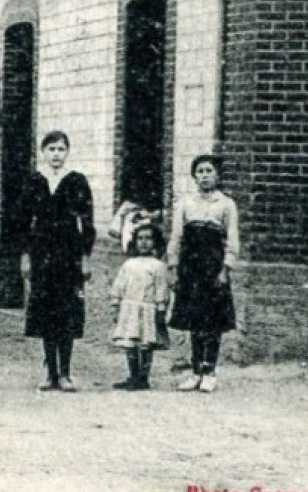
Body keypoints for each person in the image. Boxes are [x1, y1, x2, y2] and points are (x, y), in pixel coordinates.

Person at [22, 131, 95, 392]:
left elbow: (87, 221)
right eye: (51, 149)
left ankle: (65, 372)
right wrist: (26, 256)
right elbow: (23, 222)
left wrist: (85, 257)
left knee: (66, 311)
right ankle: (49, 371)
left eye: (61, 149)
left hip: (68, 253)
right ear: (43, 152)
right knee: (45, 311)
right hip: (42, 252)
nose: (56, 154)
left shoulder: (76, 181)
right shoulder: (34, 181)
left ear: (67, 152)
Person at [168, 154, 241, 393]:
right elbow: (177, 238)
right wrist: (173, 266)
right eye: (200, 171)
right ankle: (195, 370)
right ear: (194, 176)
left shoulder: (226, 204)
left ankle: (210, 371)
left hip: (213, 267)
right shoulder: (185, 204)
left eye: (209, 171)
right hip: (191, 268)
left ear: (218, 175)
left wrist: (225, 269)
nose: (204, 176)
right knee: (195, 320)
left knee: (213, 322)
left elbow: (232, 240)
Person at [109, 221, 171, 391]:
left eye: (149, 239)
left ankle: (143, 378)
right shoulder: (128, 264)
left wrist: (160, 307)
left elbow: (161, 288)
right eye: (140, 238)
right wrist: (116, 304)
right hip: (130, 309)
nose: (144, 242)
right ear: (134, 242)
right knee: (130, 344)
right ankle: (133, 375)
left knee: (145, 344)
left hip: (148, 309)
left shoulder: (158, 266)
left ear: (156, 242)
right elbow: (119, 285)